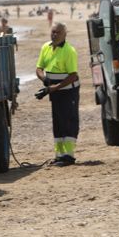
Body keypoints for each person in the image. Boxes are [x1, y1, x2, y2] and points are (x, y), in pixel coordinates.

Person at [36, 22, 80, 166]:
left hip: (69, 92)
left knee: (69, 121)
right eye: (53, 32)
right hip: (54, 92)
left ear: (65, 34)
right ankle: (59, 155)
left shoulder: (69, 51)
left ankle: (69, 156)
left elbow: (73, 76)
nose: (55, 35)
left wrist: (54, 88)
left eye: (58, 33)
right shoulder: (45, 47)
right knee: (58, 121)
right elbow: (39, 68)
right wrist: (44, 80)